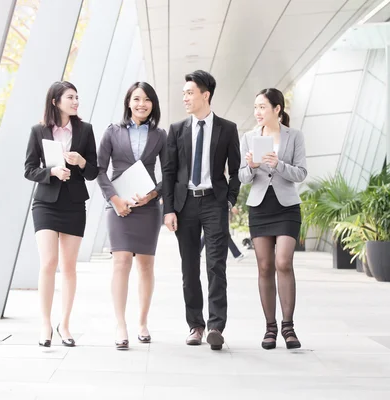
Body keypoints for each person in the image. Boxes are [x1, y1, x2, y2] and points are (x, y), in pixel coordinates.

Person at [162, 70, 241, 350]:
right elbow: (169, 172)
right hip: (185, 205)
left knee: (216, 265)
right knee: (189, 267)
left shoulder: (228, 129)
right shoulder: (176, 130)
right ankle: (195, 325)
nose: (185, 97)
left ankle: (216, 326)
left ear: (205, 95)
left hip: (214, 202)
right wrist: (168, 209)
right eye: (183, 93)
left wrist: (229, 200)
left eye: (190, 92)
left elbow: (236, 171)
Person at [24, 81, 99, 347]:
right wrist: (51, 172)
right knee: (48, 262)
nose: (76, 101)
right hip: (45, 203)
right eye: (70, 97)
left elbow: (93, 172)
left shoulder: (85, 130)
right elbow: (29, 169)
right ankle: (45, 323)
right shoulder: (39, 131)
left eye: (77, 97)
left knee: (68, 267)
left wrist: (81, 162)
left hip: (74, 204)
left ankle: (64, 324)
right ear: (55, 101)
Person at [96, 82, 167, 350]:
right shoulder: (112, 132)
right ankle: (120, 324)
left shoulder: (160, 135)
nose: (141, 104)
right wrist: (115, 200)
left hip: (147, 207)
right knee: (121, 261)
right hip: (118, 204)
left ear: (153, 104)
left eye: (147, 100)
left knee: (146, 265)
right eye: (136, 99)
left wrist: (151, 196)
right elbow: (100, 170)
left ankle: (142, 322)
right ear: (128, 102)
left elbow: (168, 173)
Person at [238, 88, 307, 350]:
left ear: (277, 109)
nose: (257, 112)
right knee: (265, 266)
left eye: (263, 107)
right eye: (255, 107)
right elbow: (243, 177)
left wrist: (278, 164)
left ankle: (289, 327)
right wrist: (252, 167)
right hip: (259, 206)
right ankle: (270, 328)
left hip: (287, 206)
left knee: (283, 262)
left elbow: (301, 173)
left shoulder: (294, 136)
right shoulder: (248, 137)